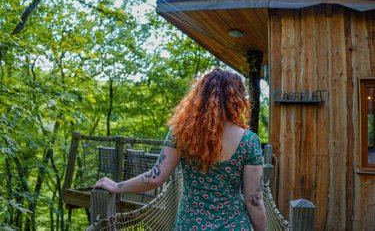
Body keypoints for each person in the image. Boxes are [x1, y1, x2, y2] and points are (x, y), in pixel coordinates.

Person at [94, 68, 266, 231]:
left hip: (190, 224)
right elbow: (254, 199)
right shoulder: (249, 141)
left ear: (200, 96)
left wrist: (117, 186)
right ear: (236, 98)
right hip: (233, 225)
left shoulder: (182, 134)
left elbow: (154, 178)